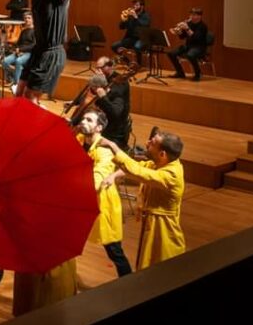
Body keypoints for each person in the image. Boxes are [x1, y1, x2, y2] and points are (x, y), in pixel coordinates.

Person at [100, 131, 186, 270]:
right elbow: (138, 167)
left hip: (163, 230)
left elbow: (139, 173)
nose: (147, 143)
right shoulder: (159, 164)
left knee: (165, 269)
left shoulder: (172, 174)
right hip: (152, 224)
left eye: (152, 143)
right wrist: (114, 175)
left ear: (162, 154)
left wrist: (113, 147)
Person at [77, 109, 132, 277]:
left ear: (99, 128)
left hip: (102, 204)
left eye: (89, 120)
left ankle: (127, 280)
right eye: (83, 119)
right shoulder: (79, 140)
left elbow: (97, 180)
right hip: (82, 202)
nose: (83, 122)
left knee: (114, 250)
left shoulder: (104, 152)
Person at [17, 0, 73, 103]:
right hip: (38, 49)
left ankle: (32, 126)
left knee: (30, 97)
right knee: (19, 91)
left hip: (51, 53)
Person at [167, 7, 209, 82]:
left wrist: (187, 29)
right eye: (191, 15)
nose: (191, 17)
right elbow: (182, 37)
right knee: (171, 53)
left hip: (199, 47)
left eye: (194, 15)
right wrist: (178, 32)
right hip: (189, 46)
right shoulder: (189, 24)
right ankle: (180, 73)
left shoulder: (203, 26)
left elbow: (196, 38)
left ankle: (198, 74)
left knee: (190, 55)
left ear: (199, 16)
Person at [112, 0, 151, 65]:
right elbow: (121, 27)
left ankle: (138, 64)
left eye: (136, 5)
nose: (134, 6)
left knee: (137, 47)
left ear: (142, 6)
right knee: (114, 46)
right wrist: (123, 20)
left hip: (141, 39)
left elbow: (144, 26)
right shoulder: (130, 16)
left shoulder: (146, 16)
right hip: (130, 39)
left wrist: (136, 17)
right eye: (134, 5)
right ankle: (128, 62)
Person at [3, 12, 36, 90]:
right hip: (20, 52)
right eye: (25, 18)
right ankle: (15, 75)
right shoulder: (24, 31)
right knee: (5, 61)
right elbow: (18, 43)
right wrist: (17, 50)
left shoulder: (35, 31)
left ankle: (16, 84)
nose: (27, 20)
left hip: (29, 53)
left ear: (33, 19)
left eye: (29, 18)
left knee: (19, 61)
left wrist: (21, 50)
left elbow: (34, 45)